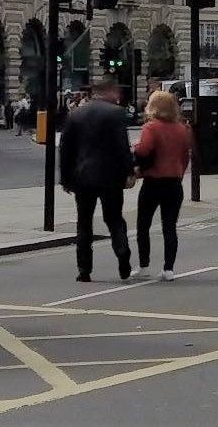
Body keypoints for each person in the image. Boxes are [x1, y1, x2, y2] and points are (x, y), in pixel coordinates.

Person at [59, 75, 135, 283]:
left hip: (82, 177)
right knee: (114, 218)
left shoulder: (77, 114)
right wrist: (130, 172)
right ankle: (122, 252)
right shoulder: (116, 114)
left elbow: (65, 149)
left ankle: (84, 269)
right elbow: (122, 146)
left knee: (84, 223)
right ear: (110, 91)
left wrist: (65, 178)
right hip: (110, 177)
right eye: (117, 92)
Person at [132, 89, 196, 280]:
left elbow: (143, 151)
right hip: (174, 183)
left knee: (143, 225)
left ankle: (144, 265)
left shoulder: (151, 127)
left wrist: (134, 147)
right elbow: (186, 157)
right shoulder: (182, 129)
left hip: (153, 181)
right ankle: (169, 269)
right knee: (170, 226)